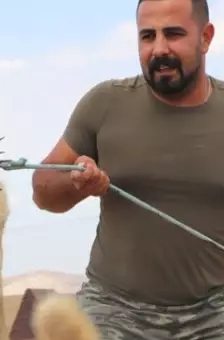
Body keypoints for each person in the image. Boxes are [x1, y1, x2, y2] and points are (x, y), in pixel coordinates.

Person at [31, 0, 224, 338]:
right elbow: (43, 193)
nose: (159, 49)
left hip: (215, 312)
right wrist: (77, 181)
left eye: (174, 34)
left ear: (206, 38)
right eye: (147, 36)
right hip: (114, 308)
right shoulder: (105, 103)